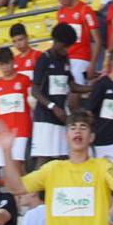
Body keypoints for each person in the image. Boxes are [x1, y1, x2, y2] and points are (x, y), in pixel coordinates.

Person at [29, 24, 77, 165]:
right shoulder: (44, 59)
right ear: (57, 42)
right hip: (45, 119)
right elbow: (34, 90)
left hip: (60, 118)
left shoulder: (65, 60)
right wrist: (53, 107)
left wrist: (93, 86)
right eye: (65, 47)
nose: (67, 50)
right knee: (43, 162)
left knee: (63, 159)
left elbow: (72, 85)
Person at [0, 47, 33, 180]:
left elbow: (32, 105)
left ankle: (27, 197)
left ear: (13, 61)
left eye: (7, 63)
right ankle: (16, 199)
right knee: (8, 171)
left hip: (22, 132)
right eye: (1, 64)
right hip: (4, 135)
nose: (5, 67)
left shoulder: (24, 80)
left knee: (19, 168)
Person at [53, 0, 101, 83]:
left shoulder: (85, 10)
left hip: (81, 58)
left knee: (75, 91)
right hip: (65, 59)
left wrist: (92, 64)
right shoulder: (60, 12)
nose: (60, 1)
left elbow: (97, 40)